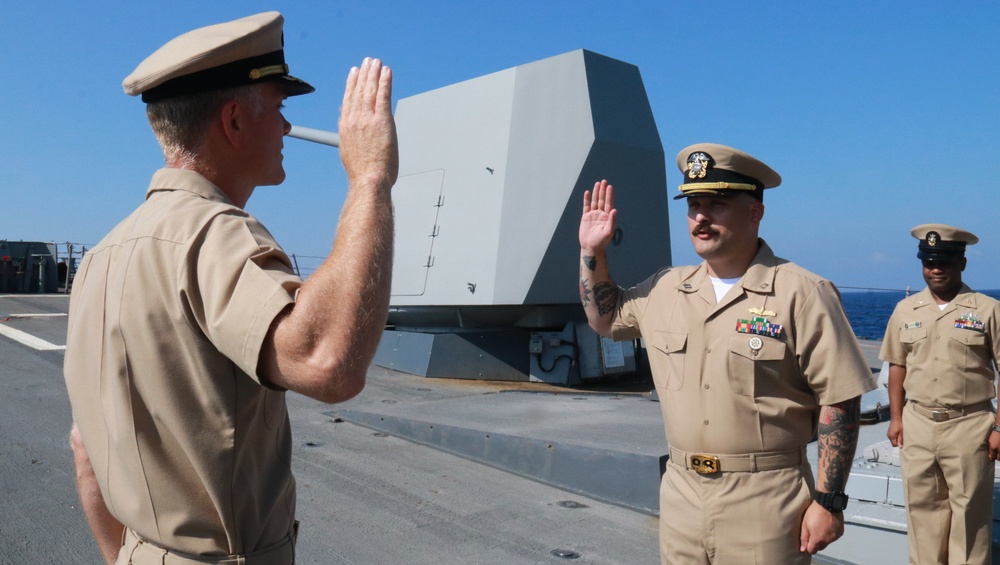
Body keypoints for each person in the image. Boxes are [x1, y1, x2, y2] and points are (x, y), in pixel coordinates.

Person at [63, 12, 398, 565]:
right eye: (280, 107)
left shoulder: (100, 257)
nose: (288, 128)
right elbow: (327, 362)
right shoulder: (212, 234)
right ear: (235, 121)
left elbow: (86, 450)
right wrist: (370, 178)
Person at [578, 143, 876, 564]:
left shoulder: (802, 292)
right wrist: (592, 252)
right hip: (681, 494)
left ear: (755, 212)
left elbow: (840, 399)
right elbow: (603, 319)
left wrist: (828, 502)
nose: (700, 217)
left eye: (716, 204)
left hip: (766, 498)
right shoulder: (666, 287)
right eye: (694, 204)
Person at [881, 224, 1000, 564]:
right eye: (929, 261)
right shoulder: (906, 310)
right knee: (922, 515)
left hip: (970, 425)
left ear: (962, 263)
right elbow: (897, 365)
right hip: (918, 424)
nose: (936, 269)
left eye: (945, 262)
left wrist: (999, 428)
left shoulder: (988, 310)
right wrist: (897, 418)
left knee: (970, 519)